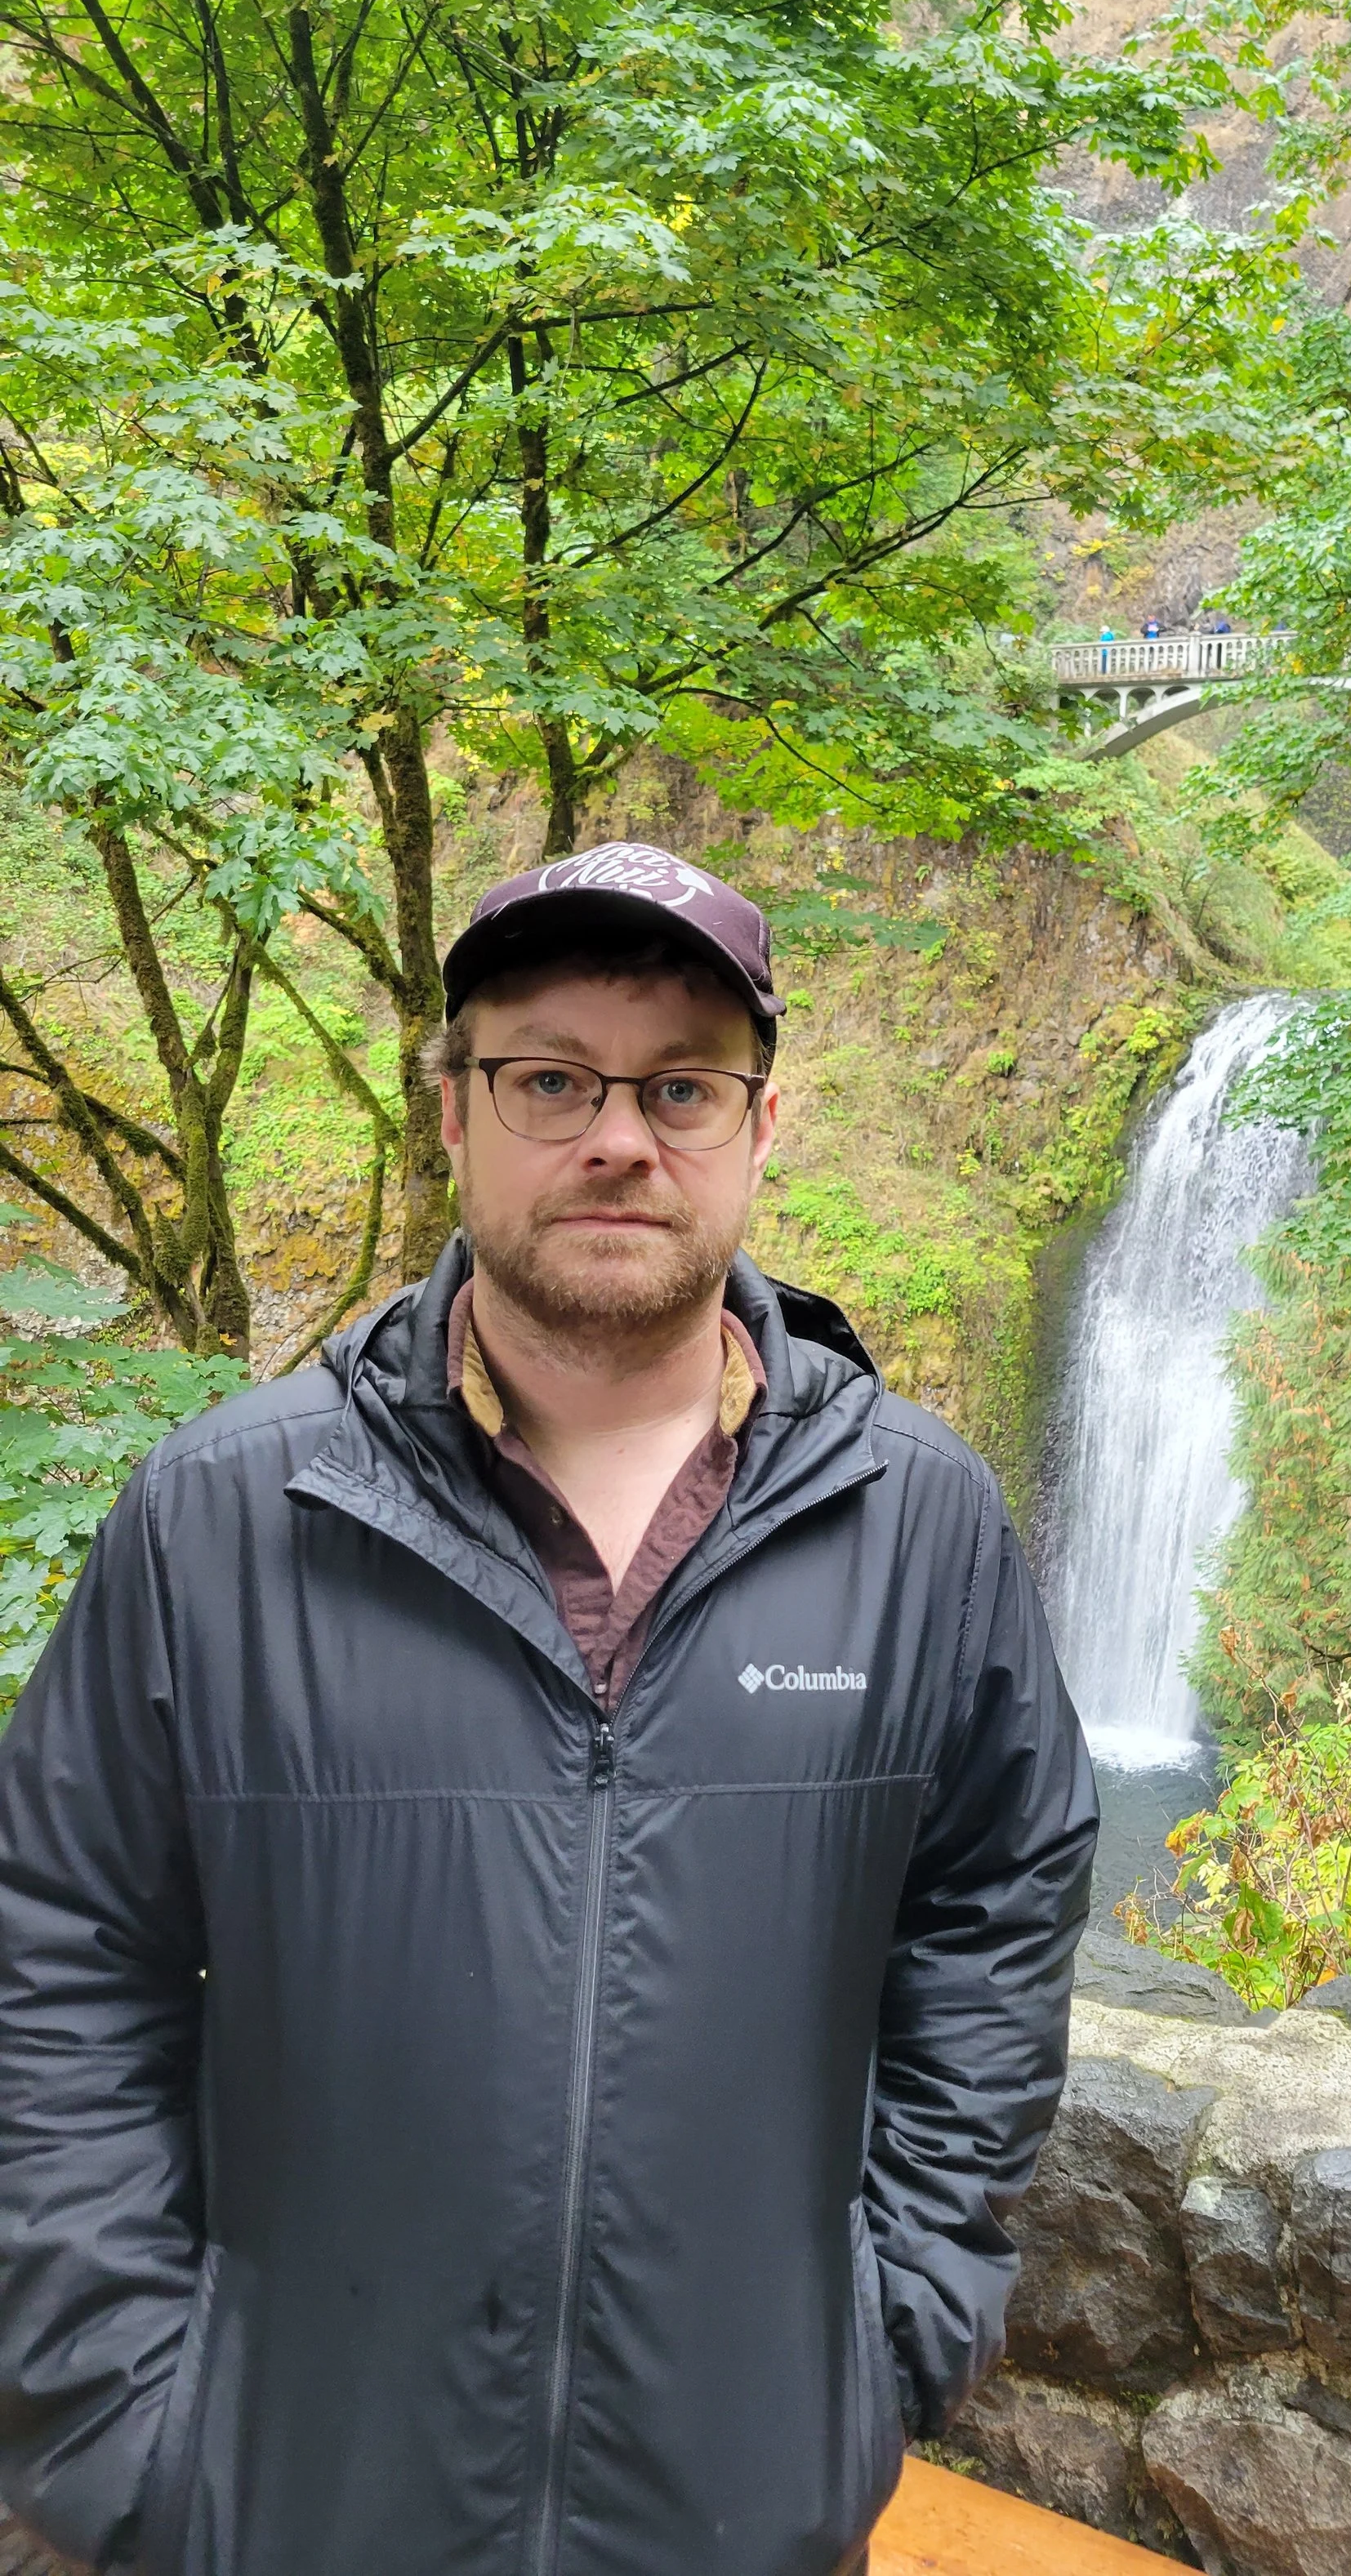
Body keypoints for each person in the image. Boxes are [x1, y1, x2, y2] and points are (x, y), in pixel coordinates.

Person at [0, 843, 1097, 2576]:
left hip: (743, 2500)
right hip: (288, 2500)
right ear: (453, 1111)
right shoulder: (221, 1518)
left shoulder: (922, 1524)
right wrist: (129, 2414)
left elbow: (995, 1912)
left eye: (680, 1085)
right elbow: (55, 1956)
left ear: (760, 1123)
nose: (618, 1138)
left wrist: (885, 2330)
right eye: (550, 1079)